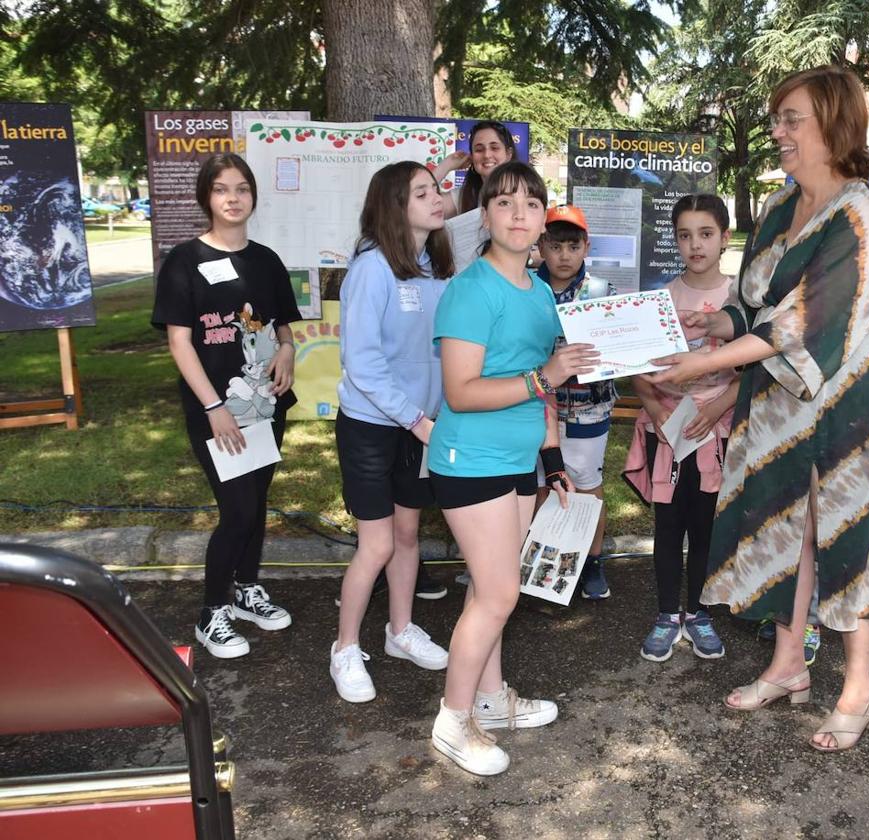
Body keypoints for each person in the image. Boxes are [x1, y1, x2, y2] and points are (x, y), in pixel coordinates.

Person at [649, 66, 869, 752]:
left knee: (846, 534)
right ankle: (789, 666)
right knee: (784, 527)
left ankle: (859, 690)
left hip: (850, 403)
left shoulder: (863, 214)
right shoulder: (776, 206)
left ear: (834, 125)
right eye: (778, 119)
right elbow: (754, 302)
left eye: (793, 119)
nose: (779, 131)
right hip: (782, 400)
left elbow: (806, 324)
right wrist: (719, 328)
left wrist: (704, 365)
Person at [427, 161, 598, 775]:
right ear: (485, 215)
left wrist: (551, 459)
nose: (520, 214)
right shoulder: (470, 289)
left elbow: (547, 379)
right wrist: (543, 376)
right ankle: (453, 720)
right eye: (505, 203)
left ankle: (494, 702)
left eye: (532, 203)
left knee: (489, 587)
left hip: (521, 458)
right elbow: (461, 391)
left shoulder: (541, 290)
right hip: (470, 460)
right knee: (499, 592)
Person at [151, 153, 299, 659]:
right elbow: (179, 343)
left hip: (266, 403)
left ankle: (245, 588)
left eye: (241, 188)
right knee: (236, 510)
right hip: (217, 409)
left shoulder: (266, 260)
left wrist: (287, 350)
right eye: (221, 189)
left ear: (253, 196)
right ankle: (212, 611)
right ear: (206, 198)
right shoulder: (184, 261)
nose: (232, 198)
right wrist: (213, 405)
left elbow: (282, 325)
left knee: (256, 506)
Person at [328, 162, 454, 702]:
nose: (437, 197)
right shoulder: (371, 269)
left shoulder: (437, 268)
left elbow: (445, 352)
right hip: (373, 427)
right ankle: (344, 648)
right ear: (395, 206)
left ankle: (400, 630)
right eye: (422, 192)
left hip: (418, 426)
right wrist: (417, 419)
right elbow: (364, 364)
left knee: (408, 537)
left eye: (436, 189)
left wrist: (434, 416)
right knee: (376, 545)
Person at [625, 194, 739, 662]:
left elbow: (752, 367)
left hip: (718, 427)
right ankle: (667, 614)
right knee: (668, 525)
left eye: (706, 234)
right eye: (685, 235)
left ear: (724, 238)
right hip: (667, 429)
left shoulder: (740, 299)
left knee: (707, 524)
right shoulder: (660, 298)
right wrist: (655, 409)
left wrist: (717, 409)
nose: (695, 245)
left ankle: (700, 611)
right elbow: (636, 363)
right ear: (674, 240)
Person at [534, 204, 617, 600]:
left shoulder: (602, 292)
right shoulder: (526, 288)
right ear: (541, 246)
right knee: (540, 484)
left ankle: (592, 560)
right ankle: (539, 560)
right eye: (555, 245)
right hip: (535, 405)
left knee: (587, 485)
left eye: (572, 245)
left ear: (586, 247)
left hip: (588, 408)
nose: (564, 255)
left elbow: (616, 354)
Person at [433, 121, 517, 218]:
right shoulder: (464, 196)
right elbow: (420, 207)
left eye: (494, 148)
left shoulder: (526, 191)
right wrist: (445, 166)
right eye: (479, 150)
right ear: (472, 156)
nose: (487, 155)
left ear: (509, 154)